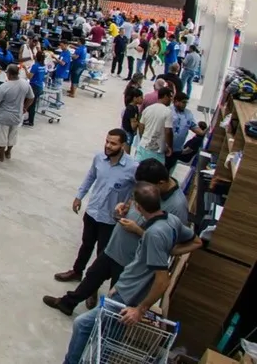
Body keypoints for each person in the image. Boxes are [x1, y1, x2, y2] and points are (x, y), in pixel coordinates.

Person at [62, 182, 200, 364]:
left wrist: (140, 310)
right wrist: (170, 251)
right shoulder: (172, 220)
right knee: (111, 335)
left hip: (129, 295)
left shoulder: (154, 234)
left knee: (82, 325)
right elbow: (197, 241)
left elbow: (162, 280)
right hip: (124, 288)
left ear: (139, 207)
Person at [45, 159, 197, 316]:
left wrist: (138, 231)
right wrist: (125, 207)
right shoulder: (149, 186)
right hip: (115, 246)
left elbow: (170, 243)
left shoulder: (177, 207)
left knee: (116, 299)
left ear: (160, 183)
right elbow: (134, 201)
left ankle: (101, 321)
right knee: (92, 276)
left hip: (131, 261)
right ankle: (67, 303)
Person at [53, 129, 137, 284]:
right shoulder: (99, 158)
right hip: (92, 211)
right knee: (86, 244)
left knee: (103, 253)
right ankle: (77, 271)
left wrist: (128, 205)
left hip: (111, 219)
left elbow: (138, 190)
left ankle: (93, 285)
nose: (108, 146)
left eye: (113, 143)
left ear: (123, 145)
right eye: (107, 141)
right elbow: (90, 176)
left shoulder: (132, 167)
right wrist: (79, 196)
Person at [0, 65, 34, 162]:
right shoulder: (25, 84)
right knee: (13, 134)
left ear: (9, 74)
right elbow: (31, 98)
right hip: (17, 114)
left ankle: (1, 155)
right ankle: (8, 152)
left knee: (2, 135)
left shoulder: (4, 86)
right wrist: (25, 108)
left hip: (4, 115)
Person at [168, 92, 205, 172]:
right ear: (176, 101)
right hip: (165, 148)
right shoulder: (168, 111)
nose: (185, 105)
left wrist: (205, 132)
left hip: (177, 149)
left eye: (186, 103)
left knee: (169, 169)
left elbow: (194, 127)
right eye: (183, 102)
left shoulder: (188, 114)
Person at [136, 87, 174, 163]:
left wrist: (143, 138)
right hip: (157, 150)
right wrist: (169, 146)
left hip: (143, 146)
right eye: (170, 97)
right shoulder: (168, 112)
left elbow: (141, 126)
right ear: (165, 96)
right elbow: (168, 131)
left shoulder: (148, 109)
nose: (171, 100)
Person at [23, 51, 48, 126]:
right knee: (32, 102)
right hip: (40, 86)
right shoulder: (43, 66)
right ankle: (29, 118)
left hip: (34, 86)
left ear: (36, 57)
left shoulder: (35, 66)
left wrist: (25, 68)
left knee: (31, 104)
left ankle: (31, 121)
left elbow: (29, 77)